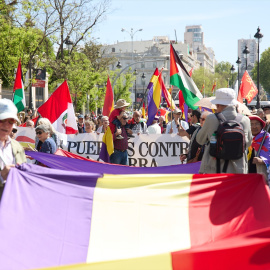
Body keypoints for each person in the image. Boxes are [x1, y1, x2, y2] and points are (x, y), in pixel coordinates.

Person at [196, 88, 252, 174]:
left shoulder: (211, 118)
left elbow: (200, 140)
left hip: (214, 169)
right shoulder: (245, 120)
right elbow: (248, 143)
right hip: (238, 171)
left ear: (218, 104)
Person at [0, 99, 26, 198]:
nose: (6, 125)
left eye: (11, 121)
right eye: (1, 120)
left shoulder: (17, 147)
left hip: (12, 205)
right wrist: (1, 176)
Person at [248, 115, 270, 183]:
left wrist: (262, 161)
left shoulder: (267, 138)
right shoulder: (246, 138)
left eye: (257, 124)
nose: (254, 127)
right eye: (251, 124)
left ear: (261, 126)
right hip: (248, 173)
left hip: (262, 173)